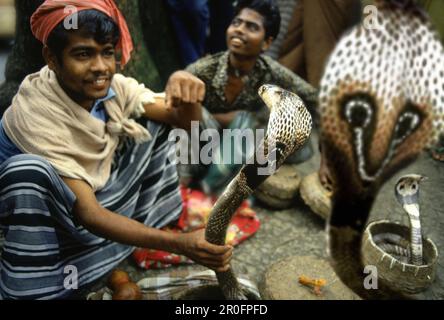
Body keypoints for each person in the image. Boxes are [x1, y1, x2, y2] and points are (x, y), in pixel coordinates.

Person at [0, 0, 232, 300]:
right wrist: (182, 244)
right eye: (83, 54)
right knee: (29, 172)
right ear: (52, 59)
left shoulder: (113, 89)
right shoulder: (36, 110)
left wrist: (183, 89)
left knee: (151, 127)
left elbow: (182, 122)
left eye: (107, 52)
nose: (100, 67)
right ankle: (56, 277)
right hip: (46, 219)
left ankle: (113, 251)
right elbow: (89, 215)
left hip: (87, 196)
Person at [179, 0, 318, 194]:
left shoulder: (271, 72)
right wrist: (225, 120)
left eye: (251, 27)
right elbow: (176, 110)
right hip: (199, 149)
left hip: (236, 151)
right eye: (236, 23)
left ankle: (207, 193)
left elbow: (317, 100)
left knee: (253, 122)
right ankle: (184, 188)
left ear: (267, 43)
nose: (239, 30)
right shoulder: (203, 70)